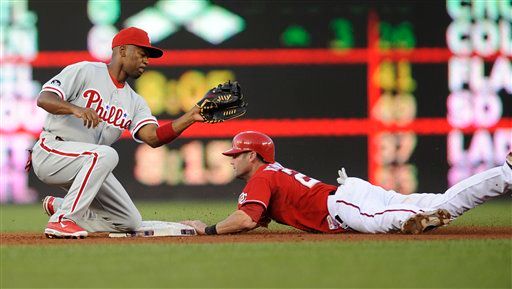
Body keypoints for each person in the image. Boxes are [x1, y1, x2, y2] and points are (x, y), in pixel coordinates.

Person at [31, 27, 207, 239]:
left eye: (148, 57)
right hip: (52, 152)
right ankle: (63, 220)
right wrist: (76, 109)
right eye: (142, 54)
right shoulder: (86, 71)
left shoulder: (135, 101)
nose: (146, 61)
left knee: (129, 221)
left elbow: (153, 137)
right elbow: (44, 99)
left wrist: (190, 116)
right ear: (122, 51)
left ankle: (61, 207)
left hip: (89, 165)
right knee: (106, 154)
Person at [182, 131, 512, 235]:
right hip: (351, 196)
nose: (231, 158)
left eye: (237, 153)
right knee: (441, 201)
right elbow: (253, 220)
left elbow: (245, 218)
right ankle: (504, 175)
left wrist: (207, 229)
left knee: (393, 222)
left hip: (343, 206)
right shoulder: (271, 175)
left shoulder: (261, 179)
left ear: (253, 156)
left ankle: (413, 221)